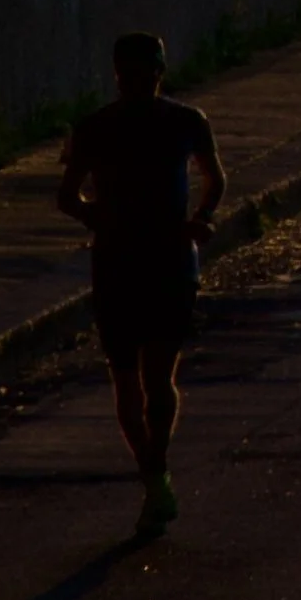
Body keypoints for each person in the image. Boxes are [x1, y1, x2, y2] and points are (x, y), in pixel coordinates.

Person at [56, 32, 226, 540]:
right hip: (138, 262)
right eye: (129, 74)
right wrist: (100, 219)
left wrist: (201, 218)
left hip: (151, 261)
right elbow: (68, 195)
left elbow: (215, 179)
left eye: (138, 73)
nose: (134, 82)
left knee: (145, 377)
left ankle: (156, 473)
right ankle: (155, 474)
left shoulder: (171, 122)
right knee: (139, 377)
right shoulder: (110, 127)